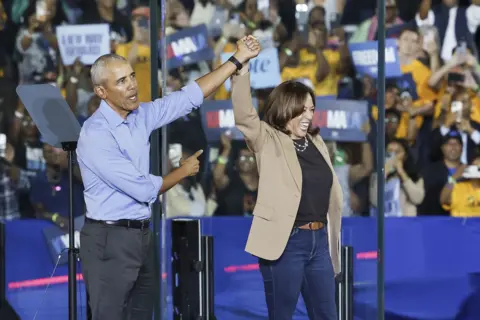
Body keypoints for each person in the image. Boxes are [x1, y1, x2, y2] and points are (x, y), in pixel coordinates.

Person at [77, 39, 259, 319]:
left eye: (132, 76)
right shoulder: (95, 134)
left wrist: (236, 60)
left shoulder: (141, 116)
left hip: (140, 235)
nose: (133, 85)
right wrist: (183, 172)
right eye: (122, 81)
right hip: (108, 240)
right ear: (101, 91)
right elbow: (141, 188)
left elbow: (190, 96)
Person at [232, 36, 343, 319]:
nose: (308, 116)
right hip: (286, 243)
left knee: (328, 314)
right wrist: (242, 66)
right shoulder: (267, 139)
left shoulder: (317, 143)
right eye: (301, 110)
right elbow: (245, 115)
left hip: (319, 241)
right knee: (282, 314)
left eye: (311, 110)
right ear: (286, 108)